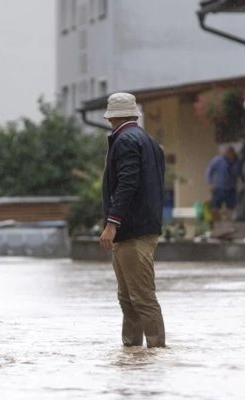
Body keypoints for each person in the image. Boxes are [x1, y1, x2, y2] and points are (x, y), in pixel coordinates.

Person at [99, 92, 166, 348]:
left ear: (111, 117)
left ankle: (155, 350)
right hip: (145, 228)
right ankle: (134, 353)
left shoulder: (125, 141)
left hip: (131, 231)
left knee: (140, 297)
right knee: (129, 298)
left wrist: (112, 223)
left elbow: (127, 183)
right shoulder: (148, 141)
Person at [205, 146, 239, 221]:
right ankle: (216, 223)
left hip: (231, 188)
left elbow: (239, 172)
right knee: (215, 208)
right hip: (219, 188)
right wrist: (210, 183)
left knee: (231, 208)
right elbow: (209, 170)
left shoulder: (236, 161)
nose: (228, 155)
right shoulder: (218, 160)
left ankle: (229, 224)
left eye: (230, 154)